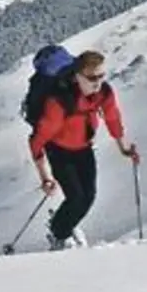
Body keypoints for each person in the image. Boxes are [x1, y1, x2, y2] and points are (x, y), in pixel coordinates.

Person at [27, 50, 139, 250]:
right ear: (77, 76)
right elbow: (38, 140)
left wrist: (123, 147)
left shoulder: (103, 93)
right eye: (92, 77)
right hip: (59, 152)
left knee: (88, 197)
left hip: (84, 148)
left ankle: (63, 225)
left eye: (101, 76)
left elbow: (113, 118)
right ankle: (59, 235)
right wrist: (44, 177)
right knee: (76, 198)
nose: (98, 82)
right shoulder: (60, 101)